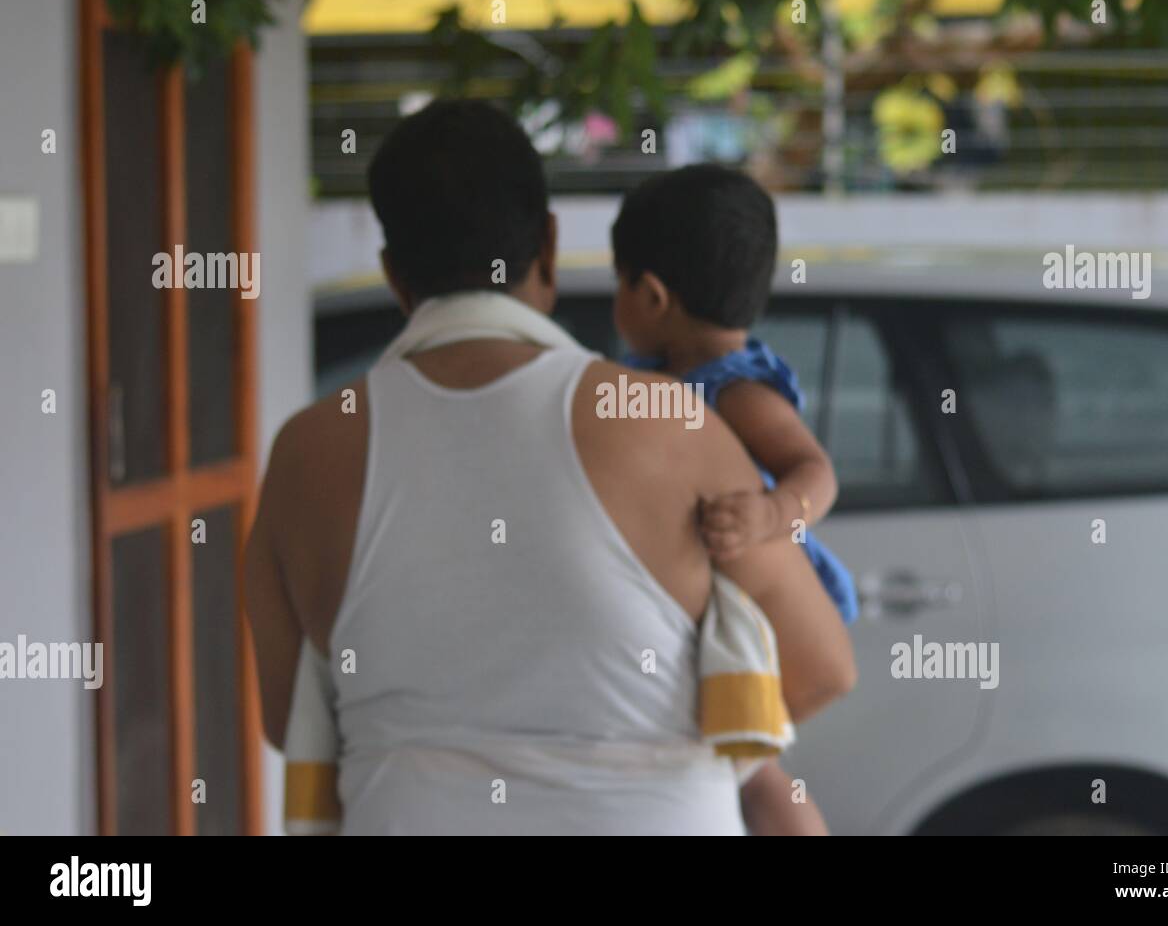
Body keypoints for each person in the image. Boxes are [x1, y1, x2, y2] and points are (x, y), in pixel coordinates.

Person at [244, 100, 855, 835]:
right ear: (550, 245)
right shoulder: (668, 424)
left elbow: (289, 722)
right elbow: (822, 668)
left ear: (393, 275)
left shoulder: (307, 454)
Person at [611, 163, 860, 835]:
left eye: (619, 283)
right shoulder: (647, 381)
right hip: (710, 598)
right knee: (740, 762)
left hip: (765, 599)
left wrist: (772, 515)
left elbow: (816, 471)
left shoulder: (737, 390)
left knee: (757, 767)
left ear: (653, 296)